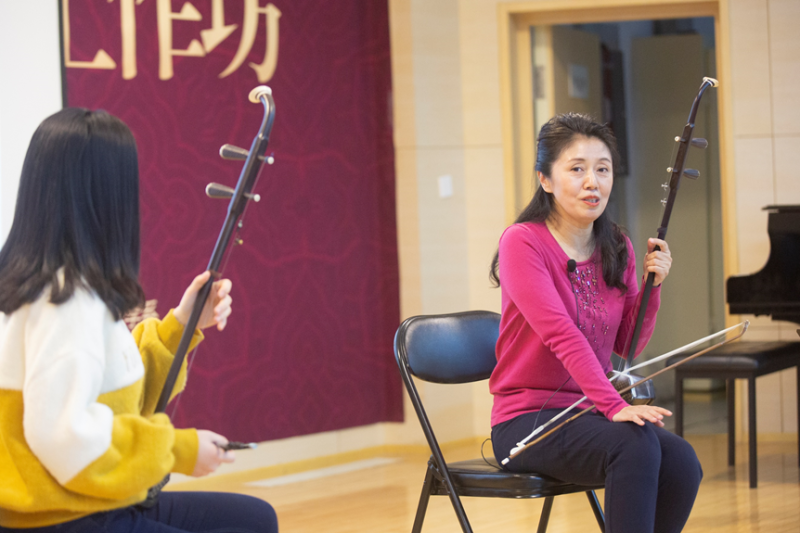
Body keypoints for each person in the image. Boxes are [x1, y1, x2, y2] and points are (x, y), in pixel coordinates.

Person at [0, 108, 278, 533]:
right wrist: (178, 449)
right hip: (60, 517)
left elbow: (114, 397)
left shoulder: (65, 286)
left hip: (87, 500)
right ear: (107, 198)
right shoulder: (67, 304)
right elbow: (63, 436)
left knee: (255, 519)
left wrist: (182, 324)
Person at [489, 113, 702, 533]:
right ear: (545, 179)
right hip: (526, 420)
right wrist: (615, 405)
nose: (593, 182)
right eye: (577, 169)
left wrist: (653, 287)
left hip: (586, 412)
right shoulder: (522, 242)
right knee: (634, 446)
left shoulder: (616, 245)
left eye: (602, 170)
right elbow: (561, 335)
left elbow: (627, 345)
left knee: (681, 461)